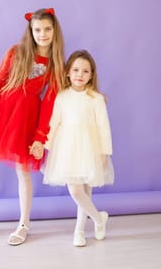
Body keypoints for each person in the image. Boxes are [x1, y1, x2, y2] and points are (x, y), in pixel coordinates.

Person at [0, 8, 65, 246]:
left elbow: (49, 104)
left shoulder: (55, 63)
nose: (42, 34)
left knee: (23, 171)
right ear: (31, 30)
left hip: (26, 119)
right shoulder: (16, 52)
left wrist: (40, 137)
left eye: (47, 29)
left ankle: (24, 224)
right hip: (2, 113)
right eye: (37, 29)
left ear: (54, 30)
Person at [43, 49, 114, 247]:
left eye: (85, 71)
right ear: (67, 72)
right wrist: (45, 146)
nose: (80, 75)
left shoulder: (95, 98)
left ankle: (80, 230)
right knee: (76, 191)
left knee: (85, 191)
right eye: (75, 70)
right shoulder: (62, 96)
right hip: (67, 148)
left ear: (92, 75)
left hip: (90, 148)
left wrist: (104, 152)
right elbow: (54, 123)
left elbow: (103, 127)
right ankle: (99, 219)